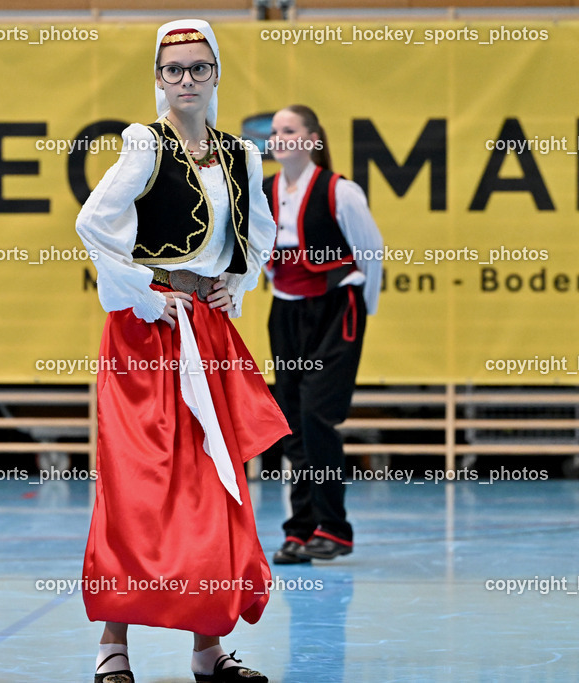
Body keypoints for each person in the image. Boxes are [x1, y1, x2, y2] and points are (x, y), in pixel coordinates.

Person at [76, 20, 291, 683]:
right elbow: (93, 224)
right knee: (138, 484)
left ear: (216, 74)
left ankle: (208, 648)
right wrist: (144, 292)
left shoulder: (241, 155)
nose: (187, 80)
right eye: (174, 70)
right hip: (149, 333)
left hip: (210, 329)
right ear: (158, 78)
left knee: (213, 487)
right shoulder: (144, 144)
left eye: (199, 68)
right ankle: (115, 641)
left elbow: (260, 232)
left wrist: (237, 280)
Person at [263, 105, 383, 564]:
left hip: (337, 310)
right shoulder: (264, 191)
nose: (279, 138)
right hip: (287, 312)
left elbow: (371, 254)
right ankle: (301, 529)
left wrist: (362, 310)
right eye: (274, 131)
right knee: (292, 422)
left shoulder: (340, 191)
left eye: (289, 130)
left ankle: (333, 527)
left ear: (312, 139)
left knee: (317, 416)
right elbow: (255, 254)